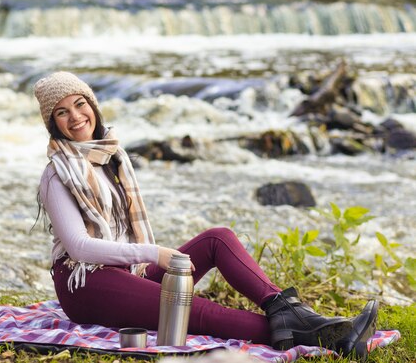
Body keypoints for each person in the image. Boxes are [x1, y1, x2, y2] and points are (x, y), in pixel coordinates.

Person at [34, 71, 378, 359]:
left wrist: (147, 260)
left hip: (126, 273)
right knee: (197, 312)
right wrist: (155, 254)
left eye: (80, 104)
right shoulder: (56, 174)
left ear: (92, 105)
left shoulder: (113, 156)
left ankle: (283, 307)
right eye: (62, 112)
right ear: (53, 123)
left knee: (218, 238)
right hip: (86, 283)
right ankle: (331, 335)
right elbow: (79, 247)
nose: (75, 116)